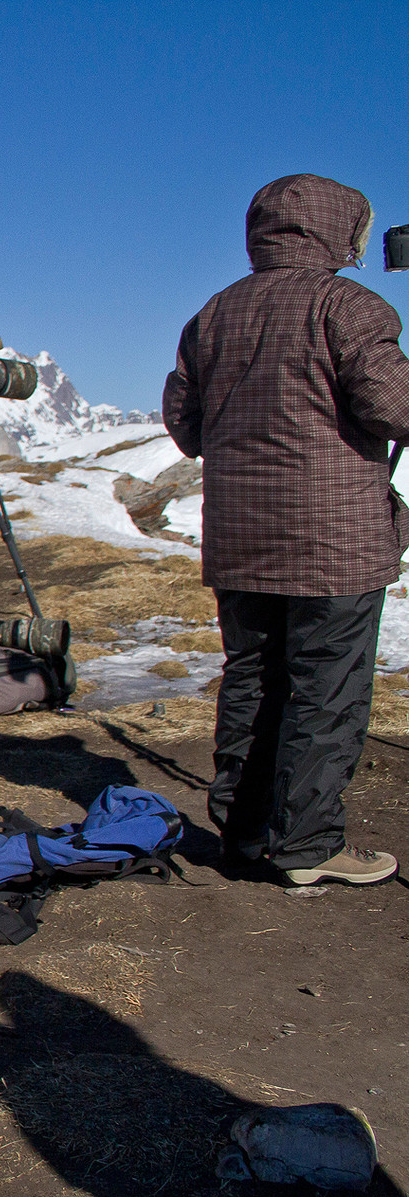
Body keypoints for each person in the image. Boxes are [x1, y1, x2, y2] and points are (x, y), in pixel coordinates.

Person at [163, 173, 409, 887]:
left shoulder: (213, 315)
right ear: (339, 230)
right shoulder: (350, 307)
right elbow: (395, 409)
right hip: (335, 543)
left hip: (241, 542)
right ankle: (307, 844)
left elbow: (185, 425)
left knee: (253, 681)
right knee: (325, 690)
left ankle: (242, 834)